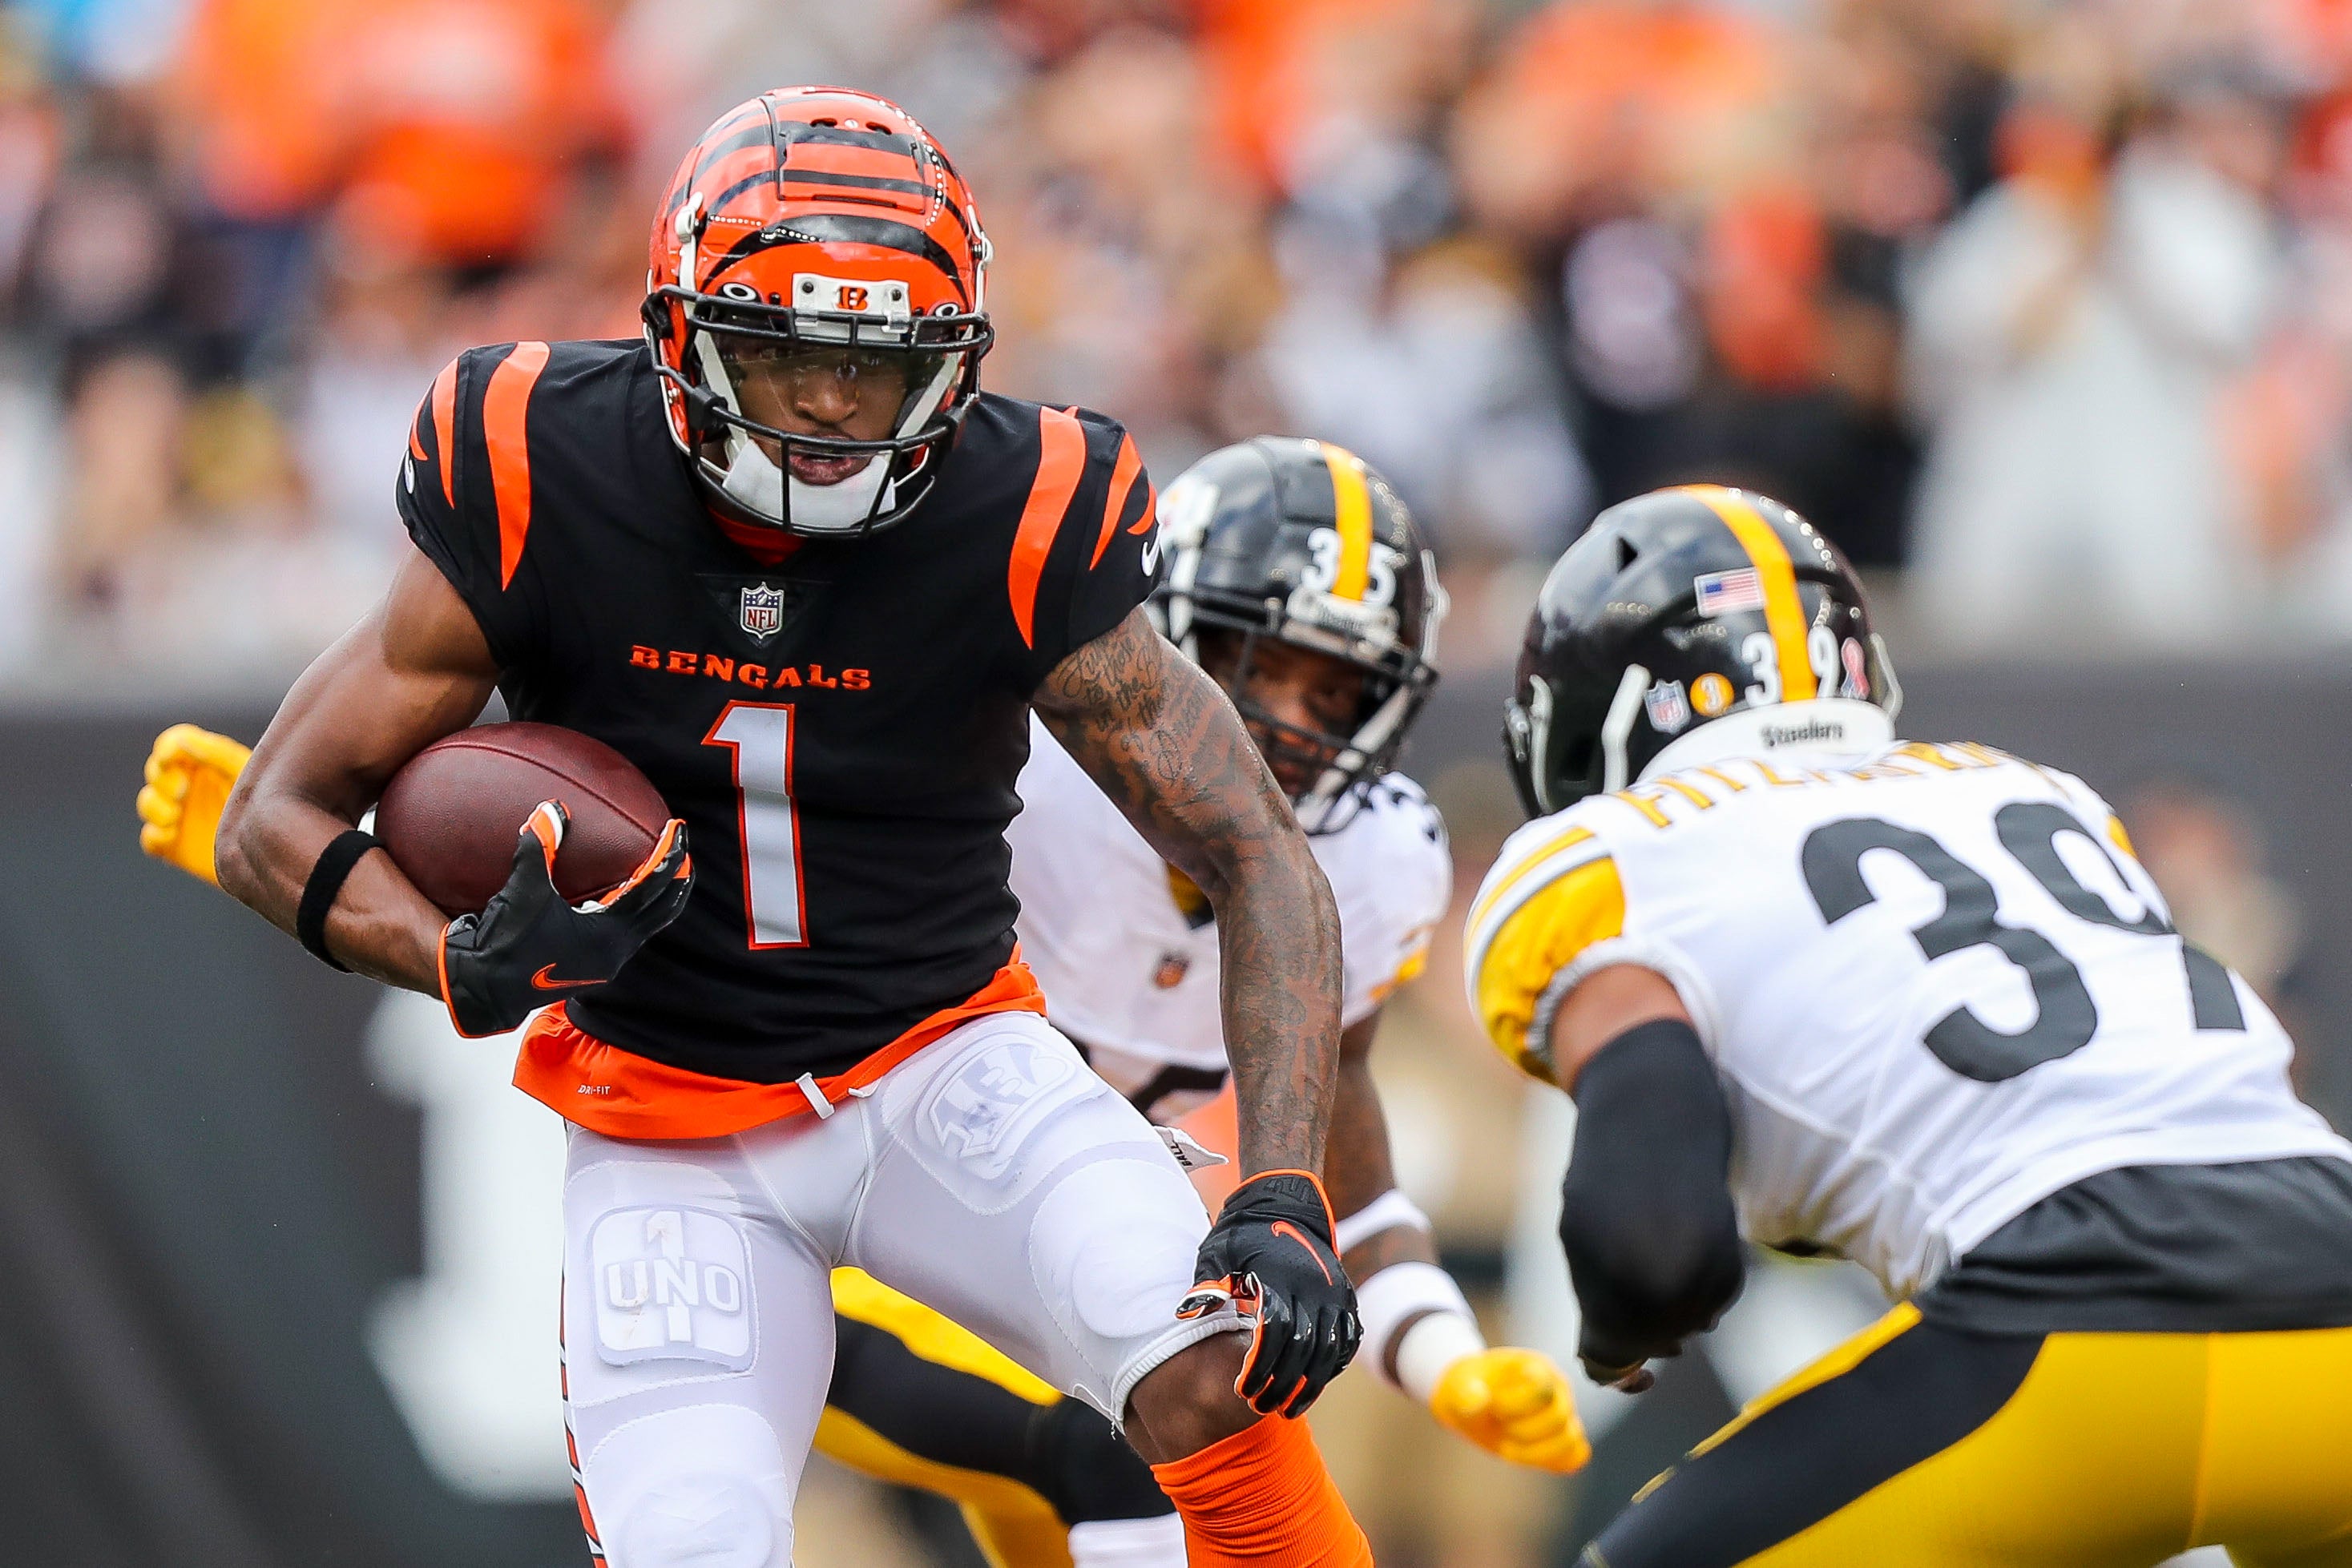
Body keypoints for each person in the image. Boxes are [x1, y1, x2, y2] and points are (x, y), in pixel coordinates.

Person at [189, 87, 1374, 1568]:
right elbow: (269, 817)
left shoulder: (1024, 502)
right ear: (681, 331)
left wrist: (1281, 1195)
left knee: (1228, 1368)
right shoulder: (537, 459)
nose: (822, 404)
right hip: (665, 1119)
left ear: (948, 369)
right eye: (782, 350)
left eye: (870, 370)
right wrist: (453, 959)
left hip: (945, 1064)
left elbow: (1260, 851)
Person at [138, 437, 1590, 1568]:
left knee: (1191, 1389)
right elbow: (708, 884)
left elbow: (1343, 1150)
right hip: (854, 1219)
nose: (1286, 724)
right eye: (1255, 665)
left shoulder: (1365, 854)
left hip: (1044, 1218)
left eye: (1337, 694)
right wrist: (332, 867)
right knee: (1099, 1443)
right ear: (1156, 642)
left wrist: (1438, 1350)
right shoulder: (1033, 779)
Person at [1466, 483, 2352, 1566]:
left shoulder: (1621, 854)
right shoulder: (2038, 791)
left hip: (2076, 1332)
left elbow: (1657, 1250)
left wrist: (1619, 1330)